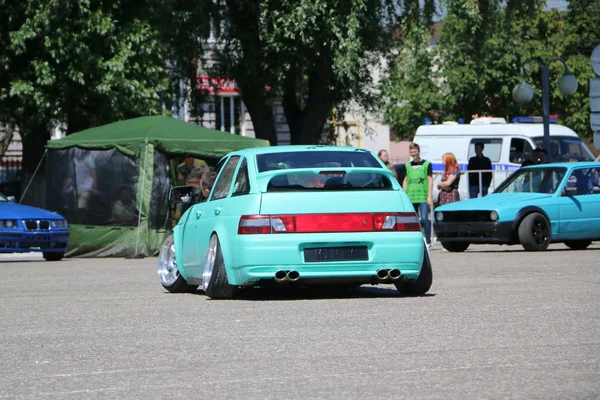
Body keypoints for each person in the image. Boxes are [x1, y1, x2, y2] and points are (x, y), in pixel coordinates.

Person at [402, 143, 433, 247]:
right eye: (411, 152)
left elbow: (429, 180)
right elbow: (405, 180)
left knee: (424, 219)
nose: (413, 154)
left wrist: (429, 196)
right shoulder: (407, 165)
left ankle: (428, 240)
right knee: (412, 221)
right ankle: (415, 240)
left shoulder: (427, 164)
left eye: (414, 152)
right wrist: (404, 195)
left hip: (422, 196)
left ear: (418, 151)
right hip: (411, 196)